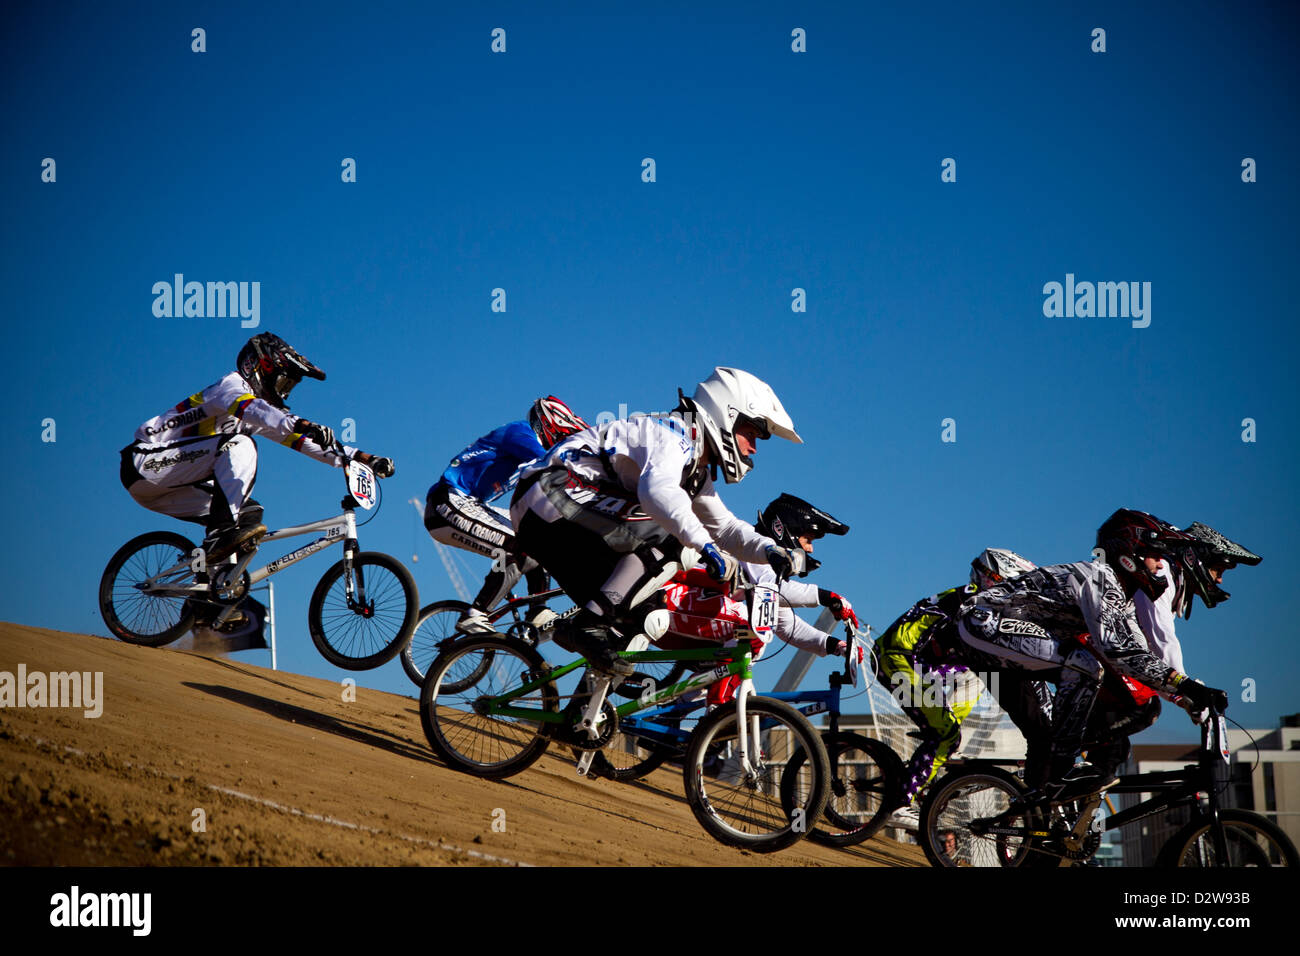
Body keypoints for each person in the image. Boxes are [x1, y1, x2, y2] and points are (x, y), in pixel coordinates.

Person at [510, 367, 803, 675]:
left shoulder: (694, 468)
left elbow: (727, 528)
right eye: (752, 434)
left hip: (551, 517)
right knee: (674, 538)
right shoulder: (672, 435)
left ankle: (582, 714)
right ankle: (586, 625)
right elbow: (657, 494)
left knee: (645, 612)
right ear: (727, 414)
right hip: (550, 493)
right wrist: (705, 546)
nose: (753, 448)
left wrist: (770, 551)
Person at [953, 509, 1229, 804]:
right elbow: (1119, 651)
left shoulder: (1121, 598)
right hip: (981, 621)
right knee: (1085, 665)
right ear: (1130, 552)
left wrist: (1186, 694)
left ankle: (1043, 791)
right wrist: (1186, 686)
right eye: (1154, 554)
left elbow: (1139, 658)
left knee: (1058, 711)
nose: (1161, 564)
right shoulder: (1099, 579)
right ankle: (1062, 770)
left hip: (1003, 639)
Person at [119, 333, 394, 627]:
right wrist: (298, 422)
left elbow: (302, 441)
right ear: (261, 367)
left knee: (249, 516)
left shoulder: (256, 412)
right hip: (146, 463)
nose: (286, 392)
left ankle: (207, 599)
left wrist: (362, 458)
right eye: (285, 381)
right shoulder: (230, 387)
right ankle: (219, 536)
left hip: (168, 485)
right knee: (240, 446)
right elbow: (258, 411)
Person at [874, 549, 1043, 832]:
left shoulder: (979, 601)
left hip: (930, 664)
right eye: (1013, 585)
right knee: (946, 734)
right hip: (898, 657)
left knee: (976, 686)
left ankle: (931, 761)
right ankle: (899, 803)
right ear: (993, 578)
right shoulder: (973, 601)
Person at [656, 493, 859, 705]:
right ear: (786, 530)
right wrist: (828, 597)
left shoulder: (765, 576)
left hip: (682, 614)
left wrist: (835, 645)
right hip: (662, 600)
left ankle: (675, 714)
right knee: (751, 630)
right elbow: (781, 591)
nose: (811, 549)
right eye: (808, 539)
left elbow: (786, 625)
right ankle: (719, 708)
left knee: (744, 645)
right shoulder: (754, 547)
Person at [424, 397, 588, 633]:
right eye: (561, 436)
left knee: (538, 538)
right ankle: (476, 613)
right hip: (447, 502)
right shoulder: (520, 431)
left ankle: (537, 610)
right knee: (515, 547)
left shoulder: (526, 455)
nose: (560, 443)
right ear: (551, 423)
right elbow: (553, 465)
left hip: (469, 505)